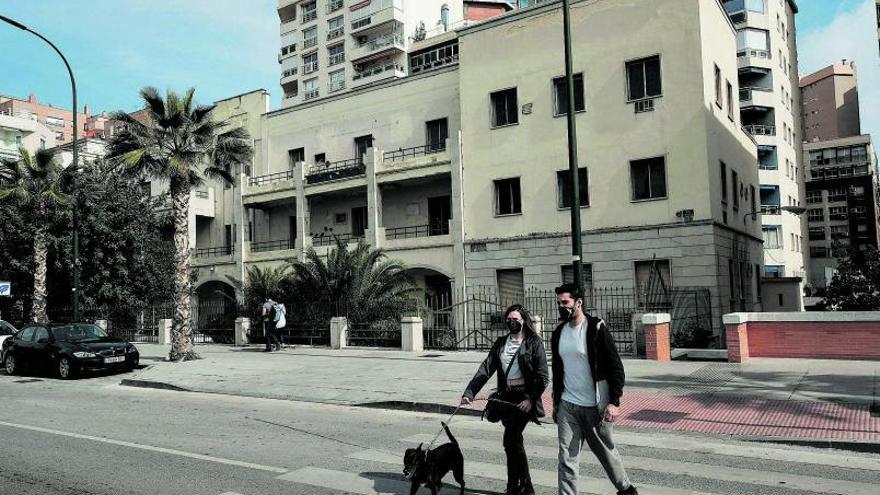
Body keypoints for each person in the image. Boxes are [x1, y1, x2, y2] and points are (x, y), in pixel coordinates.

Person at [551, 283, 638, 495]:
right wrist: (556, 403)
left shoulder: (596, 328)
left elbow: (615, 367)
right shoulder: (558, 333)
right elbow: (558, 371)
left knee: (606, 453)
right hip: (568, 406)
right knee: (567, 459)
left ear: (578, 303)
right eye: (559, 303)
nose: (562, 307)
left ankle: (626, 489)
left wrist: (614, 401)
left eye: (565, 303)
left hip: (594, 407)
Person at [461, 304, 549, 495]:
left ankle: (523, 487)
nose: (512, 322)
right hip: (506, 398)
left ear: (523, 320)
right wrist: (470, 392)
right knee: (511, 442)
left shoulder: (533, 342)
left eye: (515, 319)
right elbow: (486, 369)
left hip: (524, 398)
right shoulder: (501, 343)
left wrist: (530, 399)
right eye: (508, 320)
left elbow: (543, 377)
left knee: (511, 438)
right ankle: (518, 486)